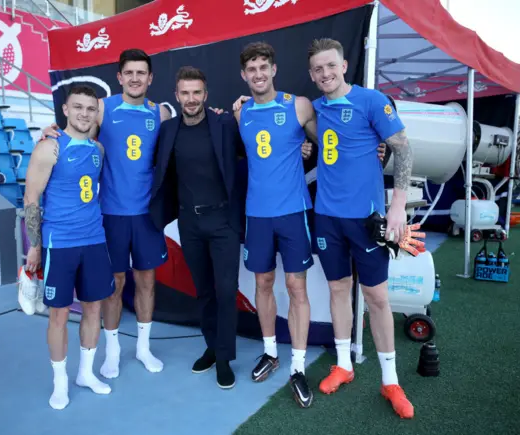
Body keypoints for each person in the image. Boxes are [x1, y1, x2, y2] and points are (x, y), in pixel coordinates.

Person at [42, 49, 172, 379]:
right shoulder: (103, 107)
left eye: (141, 72)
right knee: (114, 284)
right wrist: (50, 131)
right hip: (110, 214)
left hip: (145, 214)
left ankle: (143, 348)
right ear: (119, 76)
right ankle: (112, 351)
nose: (135, 78)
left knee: (147, 281)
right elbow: (76, 124)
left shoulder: (158, 113)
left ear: (150, 78)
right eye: (129, 72)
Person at [307, 38, 415, 419]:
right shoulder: (317, 107)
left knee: (377, 298)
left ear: (344, 64)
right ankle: (344, 365)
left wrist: (398, 205)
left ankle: (390, 380)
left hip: (367, 218)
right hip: (326, 218)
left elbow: (402, 148)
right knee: (338, 289)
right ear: (312, 74)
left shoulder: (371, 100)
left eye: (331, 66)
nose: (325, 74)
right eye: (318, 69)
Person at [233, 41, 319, 408]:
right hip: (257, 214)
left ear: (273, 69)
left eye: (263, 67)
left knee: (296, 287)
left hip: (293, 211)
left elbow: (329, 142)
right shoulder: (242, 113)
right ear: (243, 75)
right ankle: (270, 352)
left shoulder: (297, 105)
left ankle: (298, 367)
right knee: (263, 283)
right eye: (251, 69)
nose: (258, 74)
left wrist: (311, 149)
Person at [149, 66, 245, 389]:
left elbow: (259, 153)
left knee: (226, 290)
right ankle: (211, 346)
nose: (191, 99)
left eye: (197, 92)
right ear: (177, 95)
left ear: (206, 94)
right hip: (189, 222)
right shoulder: (168, 130)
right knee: (203, 290)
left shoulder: (225, 124)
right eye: (185, 93)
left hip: (223, 222)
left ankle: (224, 357)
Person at [23, 84, 115, 410]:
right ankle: (59, 382)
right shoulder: (50, 148)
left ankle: (85, 374)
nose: (84, 114)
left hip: (94, 240)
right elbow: (31, 200)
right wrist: (35, 246)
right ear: (65, 109)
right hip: (59, 243)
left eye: (90, 109)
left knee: (93, 309)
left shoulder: (98, 150)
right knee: (59, 315)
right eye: (78, 107)